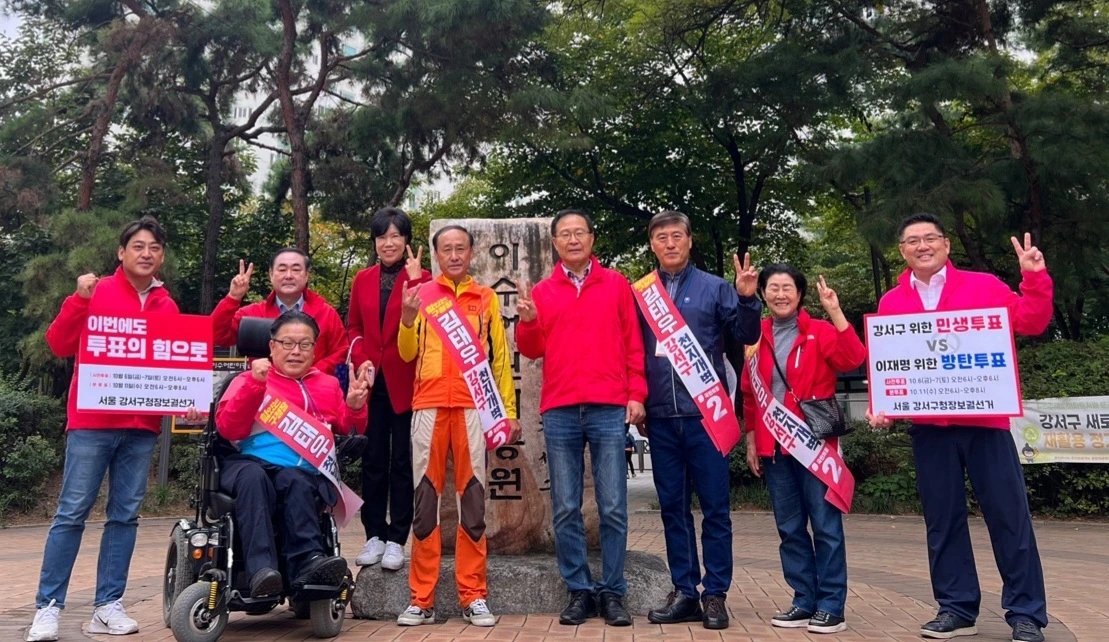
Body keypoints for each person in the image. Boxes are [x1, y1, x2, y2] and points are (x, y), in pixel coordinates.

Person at [866, 213, 1052, 642]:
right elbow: (889, 363)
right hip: (930, 428)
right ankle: (956, 608)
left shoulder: (984, 286)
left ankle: (1026, 613)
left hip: (986, 422)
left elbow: (1032, 321)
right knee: (942, 521)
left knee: (1009, 518)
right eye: (913, 240)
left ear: (946, 245)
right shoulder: (892, 302)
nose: (922, 245)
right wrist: (883, 406)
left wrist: (1034, 279)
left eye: (930, 237)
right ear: (902, 251)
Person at [27, 217, 181, 641]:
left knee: (125, 517)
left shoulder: (167, 306)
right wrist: (78, 299)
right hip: (92, 423)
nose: (146, 253)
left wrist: (184, 399)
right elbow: (58, 344)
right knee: (71, 513)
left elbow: (173, 366)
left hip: (141, 427)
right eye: (138, 246)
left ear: (161, 256)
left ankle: (107, 605)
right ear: (121, 252)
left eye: (154, 247)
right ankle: (48, 607)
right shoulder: (96, 292)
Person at [516, 208, 647, 627]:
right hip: (560, 409)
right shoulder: (543, 291)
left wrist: (636, 393)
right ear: (555, 243)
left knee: (613, 505)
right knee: (566, 506)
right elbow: (531, 349)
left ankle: (612, 591)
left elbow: (633, 343)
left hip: (609, 405)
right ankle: (579, 590)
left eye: (580, 233)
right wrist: (528, 322)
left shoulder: (616, 284)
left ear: (592, 238)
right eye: (565, 234)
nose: (573, 240)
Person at [637, 211, 763, 630]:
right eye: (661, 237)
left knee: (715, 510)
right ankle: (685, 592)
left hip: (707, 416)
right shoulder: (642, 294)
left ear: (690, 241)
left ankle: (715, 595)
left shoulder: (716, 287)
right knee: (673, 509)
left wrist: (747, 300)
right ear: (652, 245)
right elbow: (633, 352)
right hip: (660, 418)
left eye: (677, 236)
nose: (670, 243)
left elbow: (746, 335)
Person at [395, 225, 521, 628]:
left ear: (471, 253)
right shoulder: (421, 295)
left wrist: (507, 412)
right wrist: (407, 319)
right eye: (446, 249)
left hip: (472, 408)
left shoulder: (485, 298)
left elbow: (500, 359)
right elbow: (406, 354)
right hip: (428, 407)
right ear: (436, 255)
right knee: (424, 503)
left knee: (473, 501)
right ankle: (421, 600)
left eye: (460, 248)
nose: (453, 255)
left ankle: (474, 595)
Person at [740, 264, 866, 635]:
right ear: (763, 293)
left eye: (787, 288)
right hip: (774, 447)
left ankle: (831, 606)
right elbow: (749, 394)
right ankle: (803, 599)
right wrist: (751, 438)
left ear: (799, 294)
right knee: (790, 528)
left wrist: (836, 312)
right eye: (773, 288)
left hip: (814, 444)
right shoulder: (755, 337)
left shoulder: (820, 331)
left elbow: (853, 359)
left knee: (826, 526)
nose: (780, 294)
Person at [215, 311, 370, 599]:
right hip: (249, 463)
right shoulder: (247, 378)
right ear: (272, 346)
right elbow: (228, 428)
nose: (296, 351)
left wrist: (355, 407)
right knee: (254, 478)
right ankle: (261, 571)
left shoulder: (328, 385)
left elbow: (347, 433)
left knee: (296, 480)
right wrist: (255, 386)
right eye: (287, 343)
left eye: (304, 344)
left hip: (301, 472)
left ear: (315, 349)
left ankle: (308, 564)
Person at [347, 207, 432, 571]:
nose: (389, 243)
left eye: (396, 235)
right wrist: (361, 358)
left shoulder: (424, 278)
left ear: (407, 240)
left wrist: (416, 280)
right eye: (382, 237)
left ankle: (397, 538)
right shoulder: (363, 279)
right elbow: (353, 327)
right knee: (373, 460)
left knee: (403, 463)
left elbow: (427, 324)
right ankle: (374, 535)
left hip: (409, 383)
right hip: (371, 381)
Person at [211, 247, 349, 375]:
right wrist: (233, 298)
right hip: (264, 388)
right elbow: (217, 335)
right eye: (282, 270)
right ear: (271, 274)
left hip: (313, 388)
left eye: (296, 270)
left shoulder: (327, 313)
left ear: (307, 275)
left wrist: (310, 373)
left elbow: (341, 352)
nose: (288, 275)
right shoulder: (252, 313)